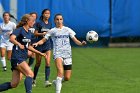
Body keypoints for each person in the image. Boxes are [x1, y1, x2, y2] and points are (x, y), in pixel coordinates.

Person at [33, 14, 87, 93]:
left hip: (68, 54)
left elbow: (76, 40)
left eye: (60, 19)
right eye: (57, 19)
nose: (59, 21)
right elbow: (43, 40)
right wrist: (37, 43)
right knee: (60, 72)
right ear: (54, 21)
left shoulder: (67, 30)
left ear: (62, 20)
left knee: (67, 78)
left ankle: (56, 82)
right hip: (58, 53)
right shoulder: (52, 30)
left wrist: (81, 43)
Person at [0, 14, 47, 93]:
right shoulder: (20, 30)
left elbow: (28, 47)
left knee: (14, 84)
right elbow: (11, 38)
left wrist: (40, 53)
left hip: (21, 58)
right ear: (27, 21)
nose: (34, 23)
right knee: (30, 74)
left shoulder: (29, 33)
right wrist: (18, 44)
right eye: (32, 21)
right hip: (17, 57)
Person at [32, 9, 52, 87]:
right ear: (43, 14)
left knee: (48, 62)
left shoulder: (50, 23)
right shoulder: (38, 23)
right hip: (39, 45)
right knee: (38, 63)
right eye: (46, 13)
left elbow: (50, 33)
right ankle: (34, 79)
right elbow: (35, 33)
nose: (47, 15)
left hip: (47, 44)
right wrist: (42, 33)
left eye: (49, 13)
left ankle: (46, 81)